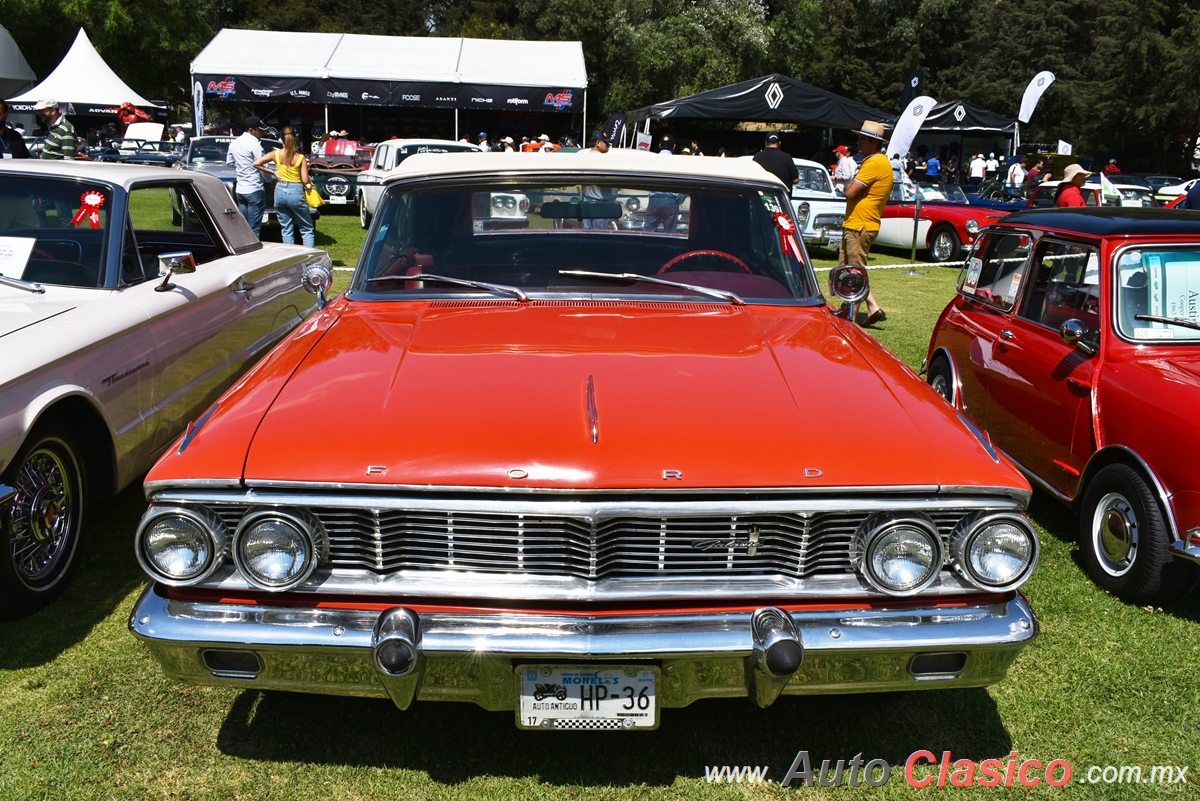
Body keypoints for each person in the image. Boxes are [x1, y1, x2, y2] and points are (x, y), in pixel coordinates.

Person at [838, 120, 894, 327]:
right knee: (848, 270)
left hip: (860, 226)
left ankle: (850, 318)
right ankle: (872, 307)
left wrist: (851, 188)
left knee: (854, 273)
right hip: (858, 224)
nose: (858, 142)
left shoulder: (874, 163)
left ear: (874, 142)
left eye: (862, 139)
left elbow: (849, 192)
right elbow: (853, 191)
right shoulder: (877, 162)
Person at [252, 126, 314, 247]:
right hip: (296, 190)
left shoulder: (275, 154)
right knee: (306, 228)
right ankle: (308, 258)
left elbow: (256, 163)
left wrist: (272, 172)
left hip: (280, 190)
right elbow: (305, 180)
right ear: (295, 139)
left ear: (281, 139)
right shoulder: (300, 158)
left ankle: (290, 257)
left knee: (286, 229)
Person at [226, 115, 268, 237]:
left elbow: (229, 162)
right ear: (251, 130)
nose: (263, 132)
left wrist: (242, 167)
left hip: (241, 189)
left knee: (243, 225)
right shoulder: (255, 144)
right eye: (260, 130)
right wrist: (270, 178)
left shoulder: (234, 143)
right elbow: (262, 165)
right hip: (254, 188)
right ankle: (252, 252)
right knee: (254, 228)